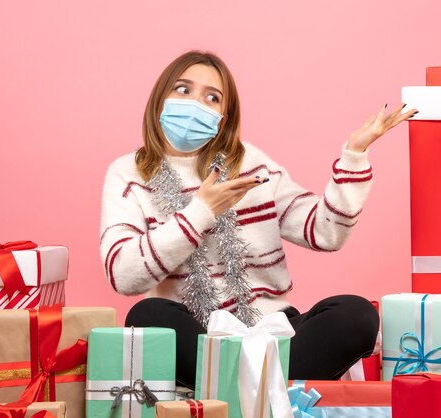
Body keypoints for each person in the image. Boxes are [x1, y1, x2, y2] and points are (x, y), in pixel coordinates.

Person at [100, 50, 417, 389]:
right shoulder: (127, 173)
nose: (196, 103)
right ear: (160, 98)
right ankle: (268, 388)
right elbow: (123, 275)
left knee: (356, 315)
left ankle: (231, 386)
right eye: (183, 89)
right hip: (199, 334)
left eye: (212, 97)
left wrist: (354, 156)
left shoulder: (251, 163)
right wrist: (201, 211)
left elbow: (325, 233)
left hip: (273, 331)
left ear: (223, 117)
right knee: (146, 318)